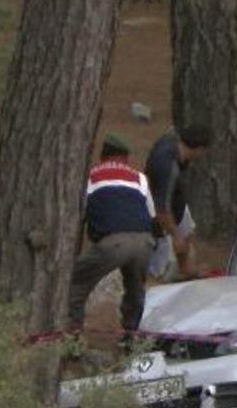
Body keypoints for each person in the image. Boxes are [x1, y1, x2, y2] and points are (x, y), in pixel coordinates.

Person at [67, 133, 157, 336]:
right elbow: (152, 215)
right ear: (126, 157)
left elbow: (79, 216)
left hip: (112, 243)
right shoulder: (139, 178)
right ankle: (132, 339)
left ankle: (72, 340)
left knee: (75, 285)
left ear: (103, 155)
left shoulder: (89, 177)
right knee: (136, 292)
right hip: (144, 241)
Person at [144, 124, 212, 280]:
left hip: (175, 199)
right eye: (204, 152)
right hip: (157, 209)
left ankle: (185, 270)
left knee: (187, 229)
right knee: (162, 253)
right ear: (199, 149)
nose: (203, 156)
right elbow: (162, 209)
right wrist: (175, 236)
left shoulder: (172, 140)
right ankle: (152, 283)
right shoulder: (168, 167)